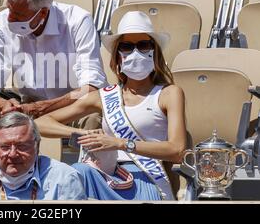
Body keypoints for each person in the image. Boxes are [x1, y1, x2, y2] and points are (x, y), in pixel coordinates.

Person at [35, 11, 187, 200]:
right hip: (106, 174)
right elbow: (40, 123)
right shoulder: (104, 96)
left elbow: (178, 151)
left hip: (146, 177)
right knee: (79, 171)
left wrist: (120, 143)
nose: (135, 52)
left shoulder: (168, 93)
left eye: (143, 45)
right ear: (117, 56)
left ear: (154, 52)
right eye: (127, 46)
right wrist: (82, 134)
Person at [0, 0, 107, 135]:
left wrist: (44, 107)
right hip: (25, 108)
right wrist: (0, 104)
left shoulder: (78, 21)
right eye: (9, 9)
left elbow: (91, 88)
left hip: (69, 109)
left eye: (18, 15)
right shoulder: (0, 22)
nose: (9, 18)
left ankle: (84, 162)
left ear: (43, 13)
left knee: (92, 117)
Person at [0, 112, 86, 200]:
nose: (13, 154)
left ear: (37, 146)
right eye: (5, 147)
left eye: (22, 146)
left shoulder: (64, 178)